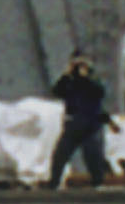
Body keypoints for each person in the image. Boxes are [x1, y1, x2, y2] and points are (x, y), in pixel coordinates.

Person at [43, 54, 116, 190]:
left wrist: (84, 77)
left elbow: (99, 94)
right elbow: (57, 91)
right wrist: (66, 75)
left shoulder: (93, 83)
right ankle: (54, 181)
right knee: (60, 154)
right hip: (75, 124)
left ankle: (97, 181)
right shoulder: (71, 83)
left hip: (89, 124)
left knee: (92, 155)